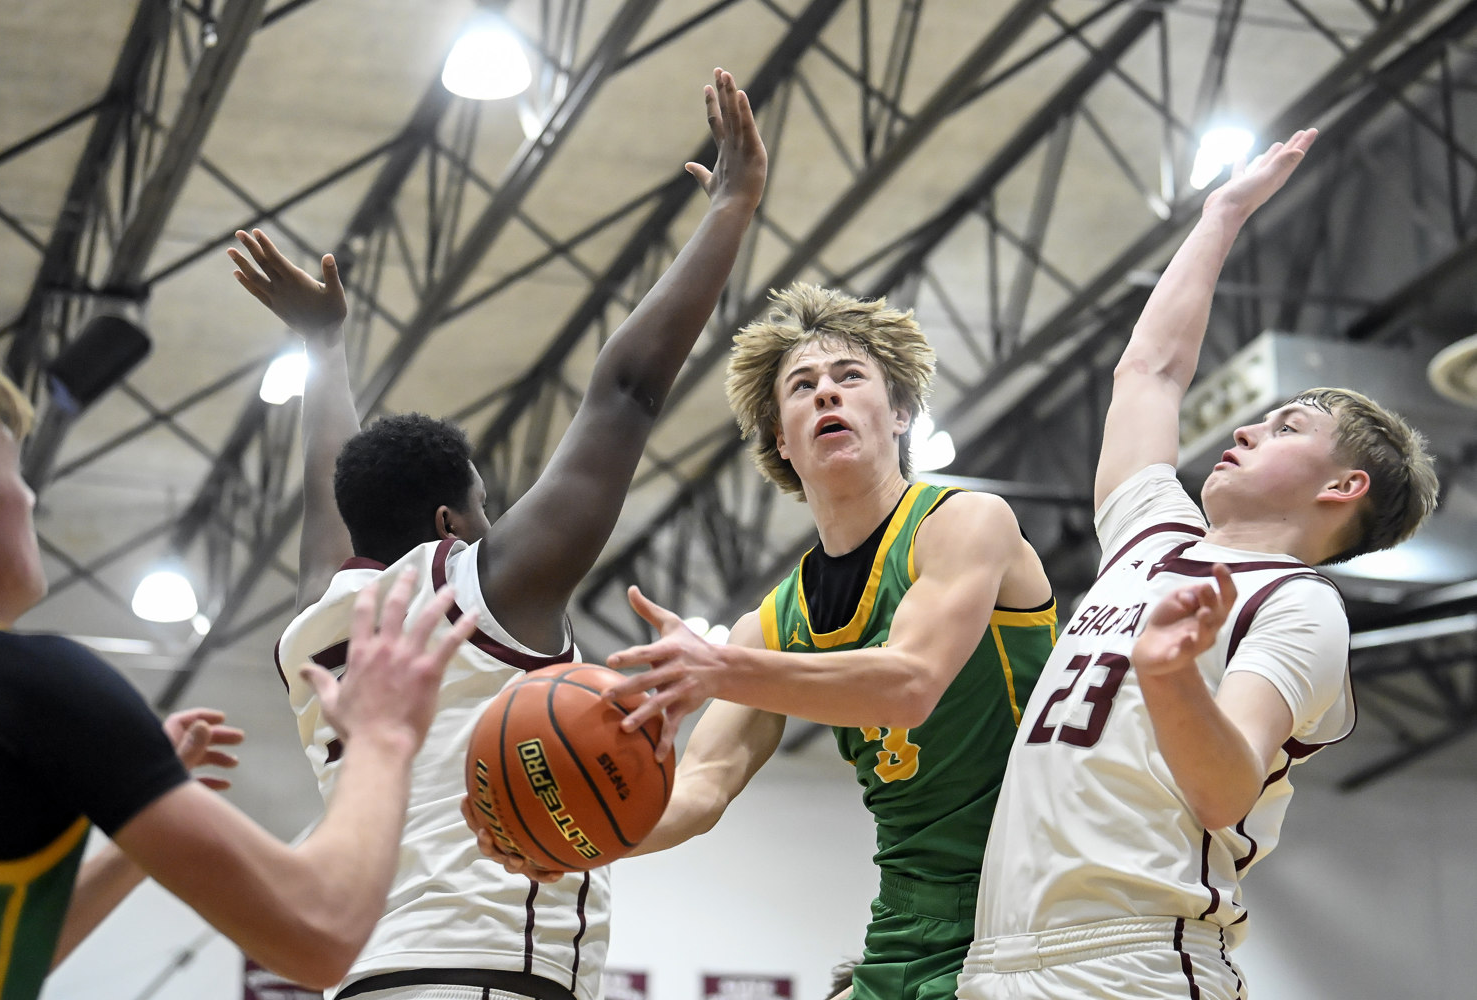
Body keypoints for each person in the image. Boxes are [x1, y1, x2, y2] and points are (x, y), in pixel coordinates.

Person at [229, 68, 766, 1000]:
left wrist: (323, 349)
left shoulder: (318, 623)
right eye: (485, 507)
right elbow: (627, 394)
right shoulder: (479, 588)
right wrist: (732, 206)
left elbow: (334, 492)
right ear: (448, 523)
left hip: (367, 976)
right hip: (484, 973)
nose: (498, 528)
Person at [954, 129, 1439, 999]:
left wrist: (1172, 679)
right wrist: (1222, 213)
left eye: (1288, 426)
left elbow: (1225, 788)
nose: (1247, 428)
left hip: (1132, 959)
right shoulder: (1150, 538)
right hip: (1002, 955)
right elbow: (1148, 372)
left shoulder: (1301, 606)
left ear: (1346, 485)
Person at [593, 282, 1057, 1000]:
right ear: (781, 436)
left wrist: (719, 668)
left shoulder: (965, 522)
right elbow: (703, 787)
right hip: (908, 915)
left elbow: (909, 684)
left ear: (900, 413)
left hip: (1031, 903)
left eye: (849, 378)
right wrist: (583, 837)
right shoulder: (773, 627)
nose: (826, 396)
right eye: (802, 387)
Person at [0, 357, 481, 999]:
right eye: (13, 472)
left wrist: (143, 820)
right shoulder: (32, 685)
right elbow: (320, 932)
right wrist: (381, 737)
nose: (29, 495)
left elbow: (5, 952)